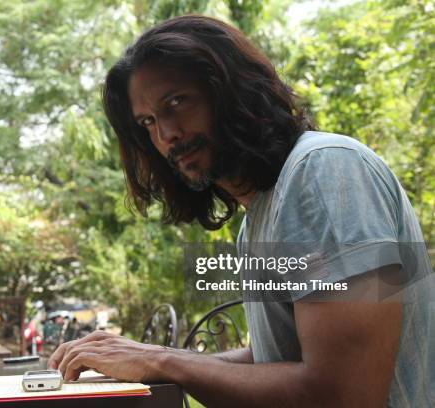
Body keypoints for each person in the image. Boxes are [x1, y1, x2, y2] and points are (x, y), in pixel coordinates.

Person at [48, 15, 433, 407]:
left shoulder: (324, 171)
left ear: (232, 90)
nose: (166, 135)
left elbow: (345, 393)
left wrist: (162, 359)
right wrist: (151, 361)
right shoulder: (259, 218)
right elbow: (280, 357)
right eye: (148, 121)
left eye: (177, 102)